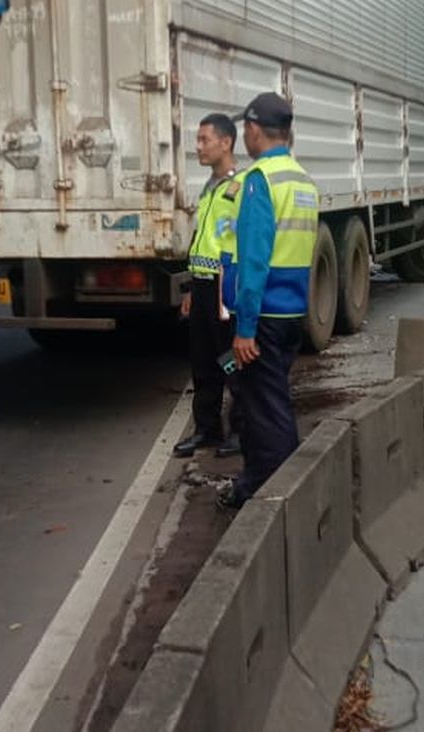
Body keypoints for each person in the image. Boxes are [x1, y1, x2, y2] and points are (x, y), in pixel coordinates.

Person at [215, 92, 318, 509]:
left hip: (262, 318)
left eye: (246, 130)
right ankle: (250, 485)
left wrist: (244, 329)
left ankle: (280, 497)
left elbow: (255, 261)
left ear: (254, 130)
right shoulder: (302, 181)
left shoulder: (259, 180)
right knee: (255, 400)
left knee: (269, 411)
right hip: (291, 311)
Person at [172, 114, 244, 459]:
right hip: (201, 287)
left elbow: (245, 241)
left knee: (229, 359)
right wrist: (188, 288)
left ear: (226, 142)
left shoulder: (241, 186)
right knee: (202, 362)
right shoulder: (210, 187)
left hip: (223, 290)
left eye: (204, 140)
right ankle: (207, 429)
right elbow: (201, 238)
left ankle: (242, 430)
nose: (198, 147)